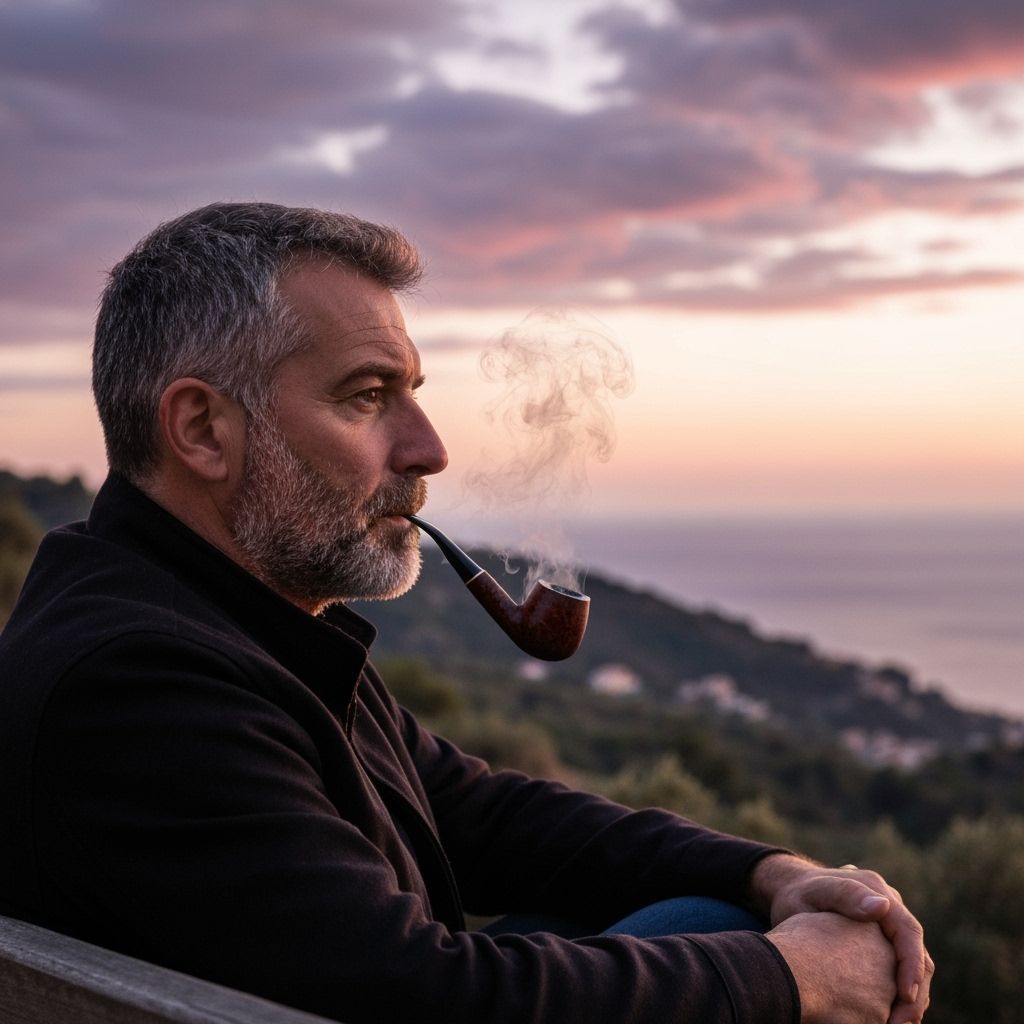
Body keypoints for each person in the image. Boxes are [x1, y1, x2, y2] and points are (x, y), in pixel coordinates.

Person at [0, 202, 932, 1024]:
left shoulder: (235, 620)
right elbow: (422, 997)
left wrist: (765, 871)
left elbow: (472, 811)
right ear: (203, 429)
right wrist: (782, 981)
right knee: (719, 939)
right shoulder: (142, 683)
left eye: (413, 394)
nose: (430, 448)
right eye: (367, 396)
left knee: (714, 912)